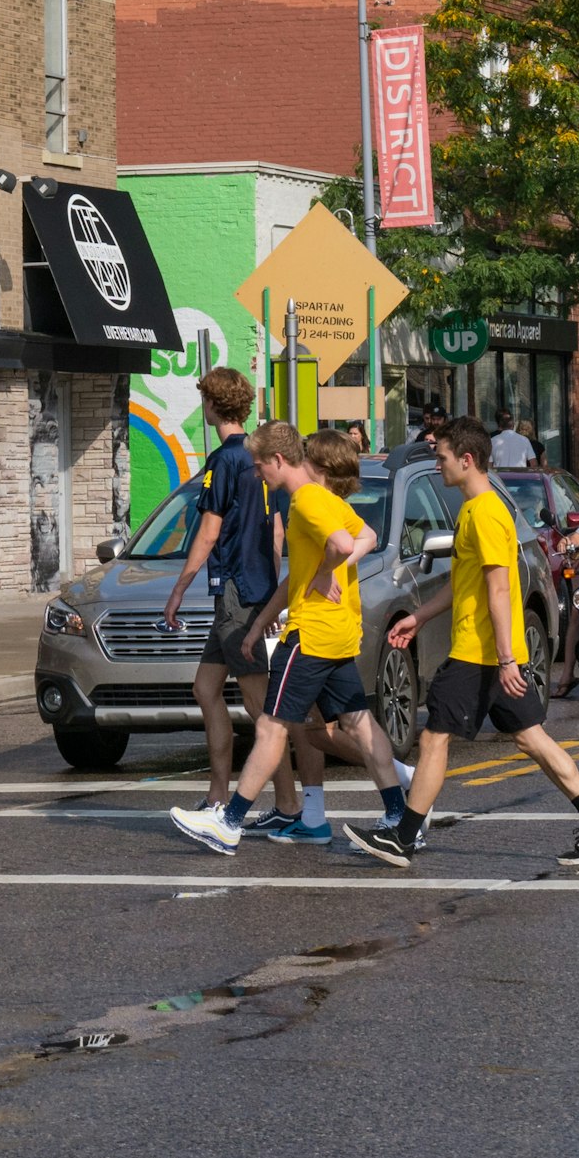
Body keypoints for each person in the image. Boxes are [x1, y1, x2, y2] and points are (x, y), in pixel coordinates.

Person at [371, 416, 579, 869]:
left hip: (481, 652)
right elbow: (465, 582)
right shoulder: (473, 509)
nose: (440, 464)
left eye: (444, 457)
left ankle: (404, 838)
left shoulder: (486, 513)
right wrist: (419, 616)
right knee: (531, 738)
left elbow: (500, 589)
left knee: (433, 740)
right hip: (490, 652)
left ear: (467, 460)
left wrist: (507, 658)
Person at [167, 425, 414, 866]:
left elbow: (342, 545)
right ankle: (400, 816)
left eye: (260, 465)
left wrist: (326, 571)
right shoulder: (329, 501)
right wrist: (264, 618)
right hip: (337, 632)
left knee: (271, 727)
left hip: (311, 635)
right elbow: (366, 538)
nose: (258, 474)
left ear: (279, 461)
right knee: (359, 722)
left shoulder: (307, 501)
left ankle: (229, 822)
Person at [158, 367, 280, 802]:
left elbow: (209, 533)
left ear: (212, 404)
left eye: (204, 400)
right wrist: (271, 584)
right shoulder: (260, 455)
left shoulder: (225, 460)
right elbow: (276, 531)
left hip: (234, 591)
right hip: (250, 587)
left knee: (260, 707)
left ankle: (288, 803)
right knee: (205, 688)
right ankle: (217, 795)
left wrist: (177, 591)